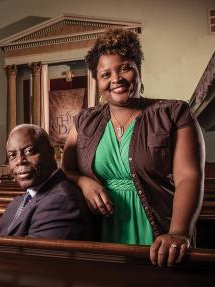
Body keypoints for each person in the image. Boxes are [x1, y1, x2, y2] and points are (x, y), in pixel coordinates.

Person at [62, 28, 204, 267]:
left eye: (124, 68)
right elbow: (66, 169)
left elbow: (188, 176)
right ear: (98, 81)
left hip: (159, 226)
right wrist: (84, 182)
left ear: (138, 70)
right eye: (105, 74)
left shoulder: (174, 113)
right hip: (100, 228)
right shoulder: (84, 121)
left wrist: (179, 232)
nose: (116, 79)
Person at [0, 124, 94, 240]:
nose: (19, 161)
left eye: (29, 151)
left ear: (50, 153)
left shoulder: (61, 201)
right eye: (12, 155)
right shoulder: (23, 199)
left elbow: (34, 255)